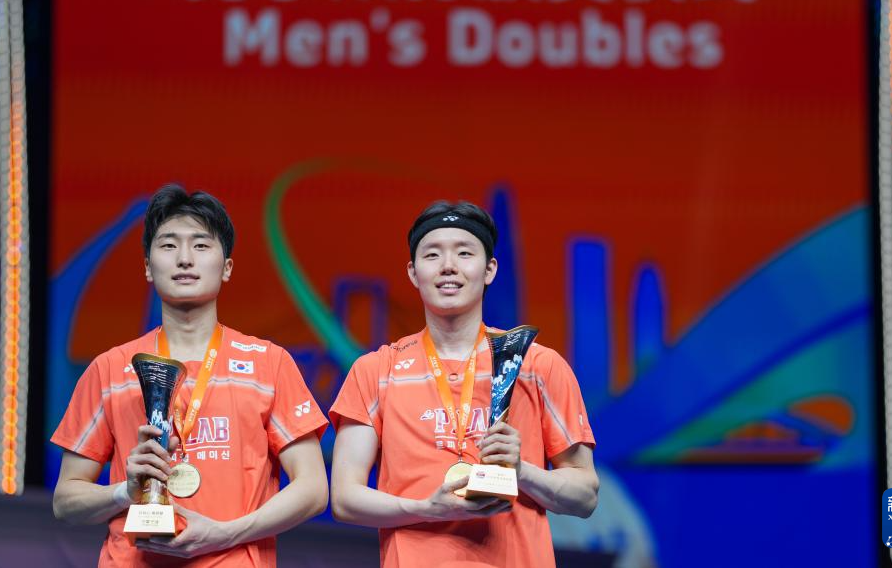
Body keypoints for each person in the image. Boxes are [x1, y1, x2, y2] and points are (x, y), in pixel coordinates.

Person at [52, 185, 329, 566]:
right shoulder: (110, 368)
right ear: (147, 267)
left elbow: (313, 489)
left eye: (200, 245)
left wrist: (226, 533)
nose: (184, 259)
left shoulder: (269, 364)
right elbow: (66, 501)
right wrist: (123, 492)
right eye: (168, 245)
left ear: (226, 267)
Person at [329, 200, 599, 567]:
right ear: (413, 272)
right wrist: (427, 509)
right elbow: (345, 498)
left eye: (465, 253)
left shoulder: (534, 364)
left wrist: (522, 472)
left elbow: (585, 497)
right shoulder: (376, 371)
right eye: (432, 254)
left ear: (489, 270)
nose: (448, 266)